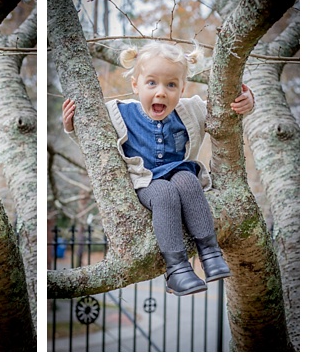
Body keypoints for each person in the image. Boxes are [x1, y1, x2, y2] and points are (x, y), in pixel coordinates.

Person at [61, 42, 255, 296]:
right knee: (164, 192)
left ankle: (210, 252)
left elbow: (222, 111)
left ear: (182, 88)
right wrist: (71, 124)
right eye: (151, 83)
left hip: (179, 174)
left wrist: (247, 102)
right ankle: (176, 269)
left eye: (171, 84)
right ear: (135, 85)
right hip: (146, 183)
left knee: (187, 179)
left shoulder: (189, 109)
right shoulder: (120, 113)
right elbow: (93, 139)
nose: (161, 92)